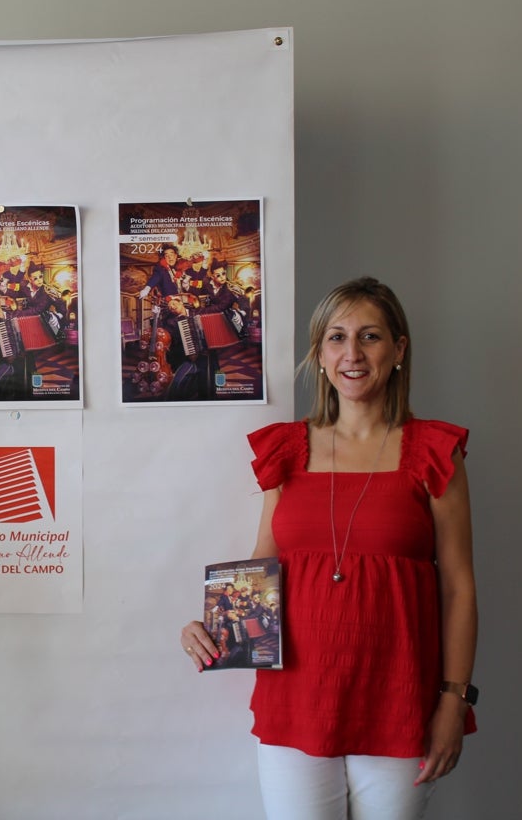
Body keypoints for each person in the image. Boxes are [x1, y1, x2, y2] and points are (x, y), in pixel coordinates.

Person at [179, 277, 477, 820]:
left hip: (398, 698)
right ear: (319, 353)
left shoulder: (434, 453)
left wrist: (454, 700)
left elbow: (458, 588)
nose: (352, 353)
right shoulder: (287, 451)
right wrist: (208, 628)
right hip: (295, 699)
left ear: (399, 349)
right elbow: (259, 570)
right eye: (336, 338)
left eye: (370, 336)